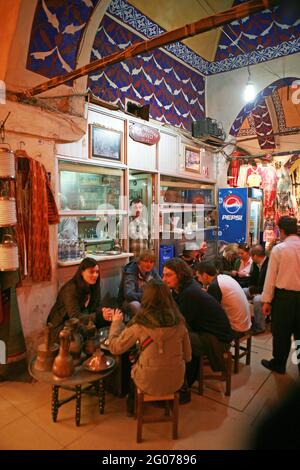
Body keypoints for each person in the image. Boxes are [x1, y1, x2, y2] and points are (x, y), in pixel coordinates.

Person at [109, 279, 192, 416]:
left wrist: (116, 323)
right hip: (175, 381)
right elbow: (188, 357)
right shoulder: (180, 324)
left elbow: (115, 348)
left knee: (132, 371)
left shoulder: (140, 325)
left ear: (145, 298)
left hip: (147, 381)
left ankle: (132, 409)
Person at [162, 258, 234, 390]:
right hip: (209, 333)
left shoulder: (189, 293)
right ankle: (183, 375)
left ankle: (184, 381)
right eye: (164, 275)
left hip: (218, 341)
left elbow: (179, 323)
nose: (164, 279)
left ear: (180, 274)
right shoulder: (185, 287)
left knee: (176, 337)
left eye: (168, 275)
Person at [261, 216, 300, 374]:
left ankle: (279, 364)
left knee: (281, 333)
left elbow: (271, 278)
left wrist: (266, 301)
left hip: (284, 299)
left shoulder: (279, 249)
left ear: (281, 231)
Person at [47, 257, 112, 345]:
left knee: (109, 321)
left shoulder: (94, 285)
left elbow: (96, 307)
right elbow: (75, 316)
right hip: (62, 325)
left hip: (82, 319)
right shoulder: (71, 289)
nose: (95, 275)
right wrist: (99, 315)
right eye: (91, 272)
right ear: (82, 272)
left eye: (97, 272)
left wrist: (104, 312)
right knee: (84, 331)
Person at [195, 261, 251, 336]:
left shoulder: (215, 286)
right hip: (245, 323)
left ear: (205, 275)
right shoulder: (224, 277)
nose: (198, 280)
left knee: (199, 323)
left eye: (198, 276)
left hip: (236, 328)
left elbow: (210, 312)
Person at [118, 250, 160, 318]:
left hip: (147, 300)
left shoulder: (153, 270)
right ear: (139, 261)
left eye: (151, 262)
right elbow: (129, 294)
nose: (149, 264)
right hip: (129, 301)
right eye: (146, 261)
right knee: (135, 305)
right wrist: (148, 296)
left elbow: (160, 286)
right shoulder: (131, 271)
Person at [244, 245, 269, 334]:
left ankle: (259, 327)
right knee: (242, 291)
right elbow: (252, 279)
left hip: (269, 292)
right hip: (258, 290)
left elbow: (267, 285)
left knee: (257, 299)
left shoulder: (269, 264)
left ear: (254, 256)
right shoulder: (255, 264)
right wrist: (251, 289)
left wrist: (253, 291)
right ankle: (245, 321)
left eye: (251, 256)